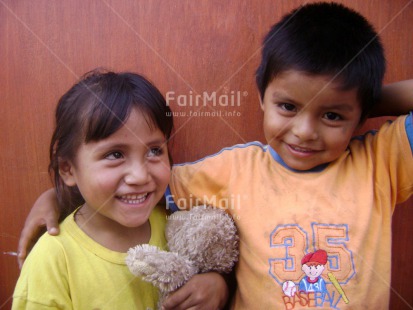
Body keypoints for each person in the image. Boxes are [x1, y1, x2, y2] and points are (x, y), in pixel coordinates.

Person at [16, 2, 413, 309]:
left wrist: (364, 100)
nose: (305, 131)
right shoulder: (234, 169)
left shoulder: (381, 162)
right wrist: (57, 194)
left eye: (330, 115)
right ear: (262, 98)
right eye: (288, 107)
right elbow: (141, 181)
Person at [12, 70, 228, 309]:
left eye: (154, 151)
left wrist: (219, 286)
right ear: (68, 169)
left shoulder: (175, 224)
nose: (139, 175)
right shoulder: (52, 261)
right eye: (115, 154)